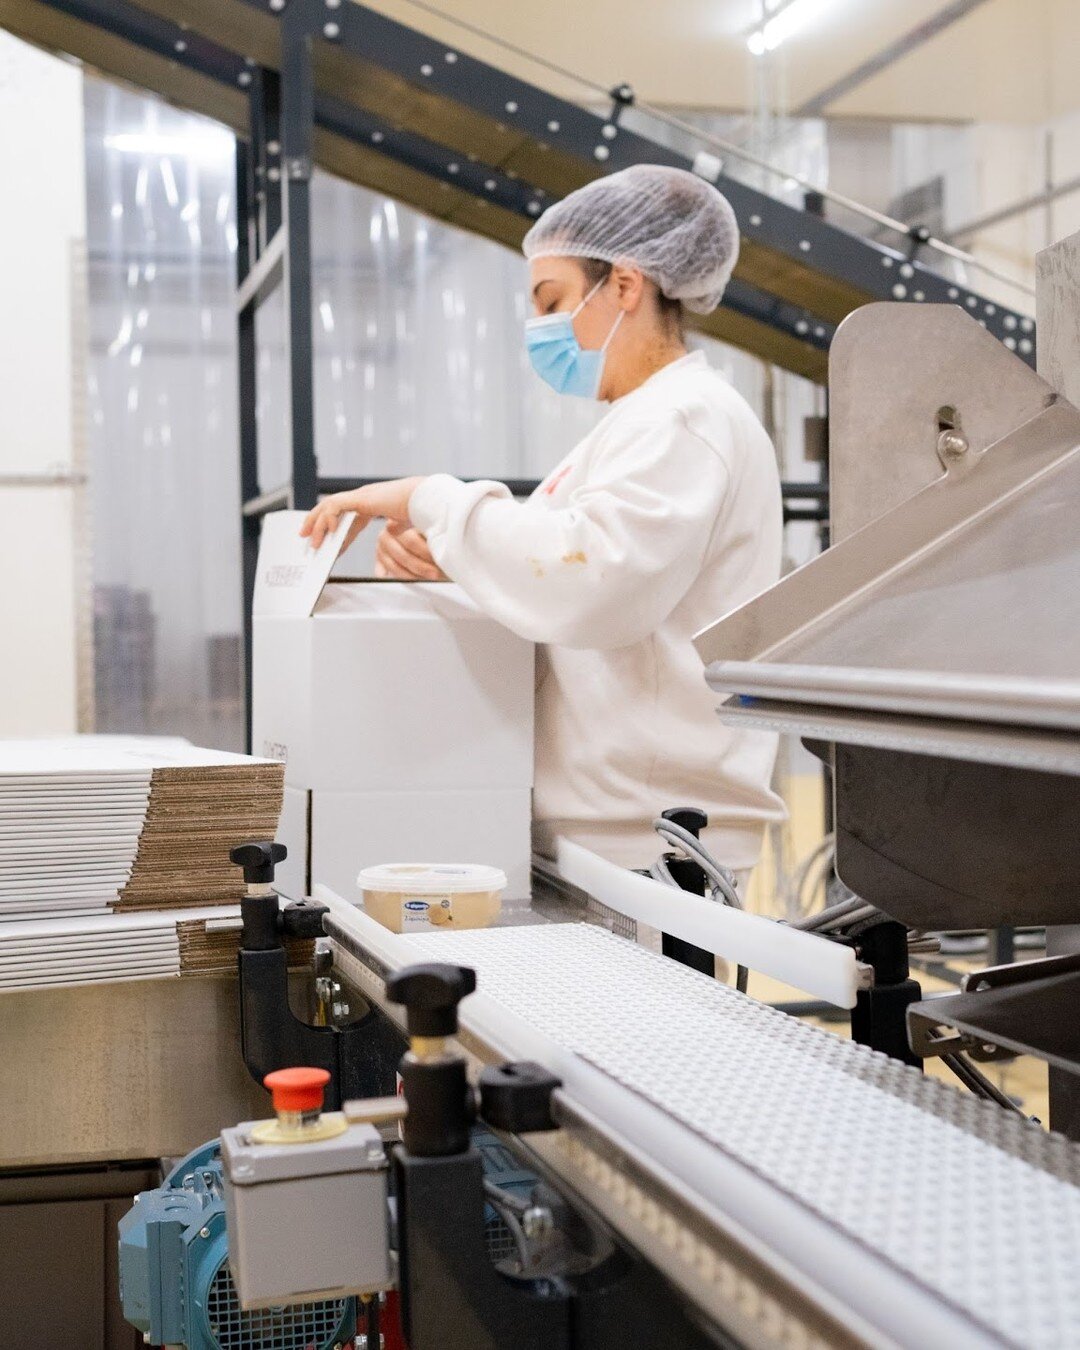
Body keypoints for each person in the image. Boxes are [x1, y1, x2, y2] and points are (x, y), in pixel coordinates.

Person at [301, 164, 785, 880]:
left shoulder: (686, 416)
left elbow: (588, 584)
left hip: (656, 839)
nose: (539, 328)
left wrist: (431, 500)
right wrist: (456, 562)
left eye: (552, 299)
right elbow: (561, 577)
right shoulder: (636, 424)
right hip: (614, 826)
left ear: (626, 285)